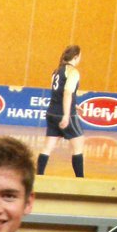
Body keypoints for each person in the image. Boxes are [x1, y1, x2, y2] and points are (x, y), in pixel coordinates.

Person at [37, 45, 85, 178]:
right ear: (75, 57)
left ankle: (39, 176)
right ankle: (80, 180)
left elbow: (56, 92)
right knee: (78, 147)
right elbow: (67, 93)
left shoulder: (56, 71)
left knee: (47, 147)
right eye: (80, 56)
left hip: (52, 112)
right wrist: (66, 115)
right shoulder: (73, 72)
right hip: (64, 114)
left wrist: (74, 105)